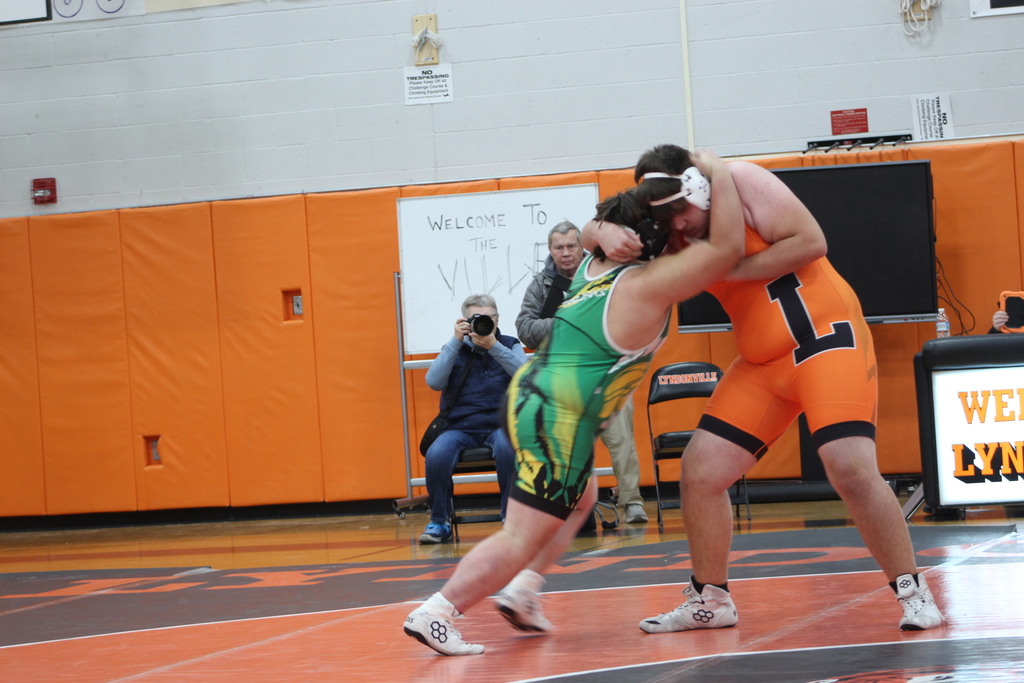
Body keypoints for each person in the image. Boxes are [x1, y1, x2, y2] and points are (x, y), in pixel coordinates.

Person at [586, 143, 944, 634]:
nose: (680, 225)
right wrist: (600, 228)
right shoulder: (670, 226)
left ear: (697, 184)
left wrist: (727, 269)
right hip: (762, 362)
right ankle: (710, 598)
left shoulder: (742, 181)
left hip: (824, 340)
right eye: (665, 215)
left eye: (682, 209)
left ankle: (912, 589)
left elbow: (811, 241)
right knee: (701, 471)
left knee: (849, 466)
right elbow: (592, 235)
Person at [403, 150, 745, 655]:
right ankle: (437, 611)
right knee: (521, 533)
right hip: (559, 417)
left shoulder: (591, 264)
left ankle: (524, 591)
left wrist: (601, 230)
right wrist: (720, 171)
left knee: (582, 499)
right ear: (648, 241)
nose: (681, 230)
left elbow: (590, 232)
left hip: (538, 399)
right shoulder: (647, 286)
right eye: (670, 227)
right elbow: (729, 246)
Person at [515, 220, 648, 524]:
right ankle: (568, 509)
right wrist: (568, 324)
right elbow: (524, 329)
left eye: (571, 246)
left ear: (582, 247)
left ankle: (632, 502)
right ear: (550, 250)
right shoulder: (541, 285)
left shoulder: (603, 274)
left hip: (607, 372)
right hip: (561, 379)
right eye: (559, 247)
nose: (565, 253)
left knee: (622, 438)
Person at [418, 294, 525, 544]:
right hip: (460, 427)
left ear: (497, 320)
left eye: (488, 318)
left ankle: (512, 520)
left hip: (501, 426)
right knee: (436, 455)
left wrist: (494, 347)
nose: (482, 324)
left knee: (510, 449)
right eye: (476, 319)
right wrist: (456, 342)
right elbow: (433, 382)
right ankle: (439, 521)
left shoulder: (509, 343)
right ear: (464, 321)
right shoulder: (454, 347)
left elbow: (525, 375)